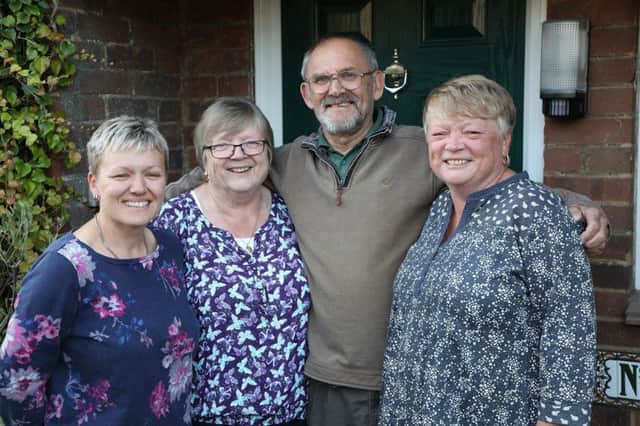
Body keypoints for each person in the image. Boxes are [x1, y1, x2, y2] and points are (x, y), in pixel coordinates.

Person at [166, 33, 609, 426]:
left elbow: (500, 183)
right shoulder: (282, 162)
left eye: (349, 75)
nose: (335, 89)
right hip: (323, 380)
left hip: (411, 380)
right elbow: (218, 172)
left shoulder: (427, 151)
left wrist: (578, 203)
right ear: (305, 93)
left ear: (376, 83)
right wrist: (141, 199)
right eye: (322, 80)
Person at [379, 75, 596, 425]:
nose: (453, 145)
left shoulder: (535, 211)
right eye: (439, 133)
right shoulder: (440, 209)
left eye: (472, 132)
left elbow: (568, 328)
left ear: (505, 140)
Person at [0, 116, 199, 425]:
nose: (139, 187)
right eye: (121, 175)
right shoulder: (63, 270)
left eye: (152, 174)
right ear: (94, 183)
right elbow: (15, 383)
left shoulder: (170, 250)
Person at [153, 97, 310, 426]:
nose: (239, 155)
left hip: (292, 413)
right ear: (204, 158)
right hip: (207, 415)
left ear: (268, 152)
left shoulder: (290, 212)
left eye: (251, 143)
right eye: (223, 146)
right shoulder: (173, 221)